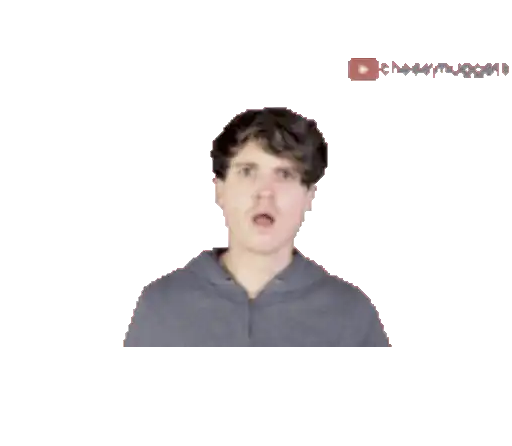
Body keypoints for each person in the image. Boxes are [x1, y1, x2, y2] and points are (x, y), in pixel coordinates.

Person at [123, 108, 389, 347]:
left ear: (309, 197)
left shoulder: (351, 316)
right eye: (247, 171)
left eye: (284, 174)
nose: (265, 192)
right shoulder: (162, 307)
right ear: (220, 190)